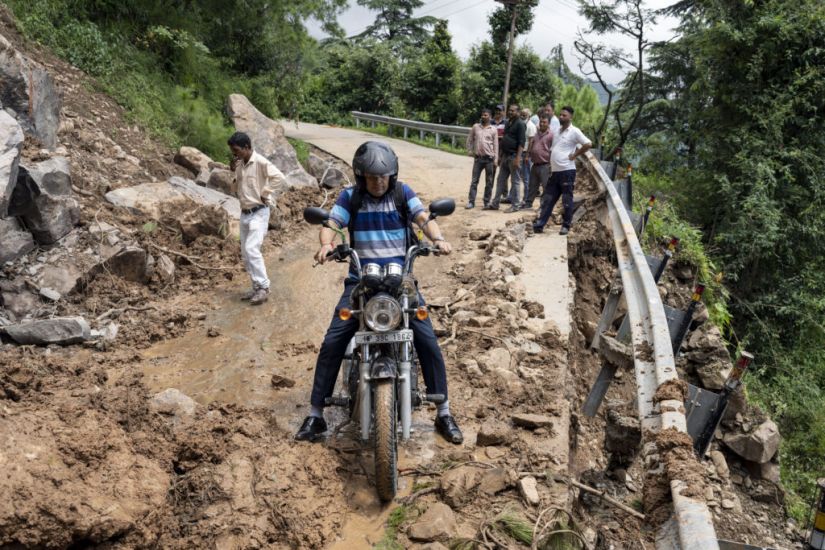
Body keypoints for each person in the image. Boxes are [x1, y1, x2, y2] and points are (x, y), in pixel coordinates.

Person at [295, 141, 464, 445]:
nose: (378, 182)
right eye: (372, 177)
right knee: (334, 340)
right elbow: (332, 224)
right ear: (361, 177)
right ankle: (316, 414)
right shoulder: (351, 197)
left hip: (402, 283)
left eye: (384, 176)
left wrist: (439, 240)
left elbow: (423, 219)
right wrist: (327, 244)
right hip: (360, 282)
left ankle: (444, 412)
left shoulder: (403, 194)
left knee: (427, 339)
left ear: (393, 175)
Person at [228, 131, 286, 305]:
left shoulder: (260, 162)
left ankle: (263, 287)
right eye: (233, 151)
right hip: (245, 213)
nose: (235, 154)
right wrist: (233, 170)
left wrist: (265, 192)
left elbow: (279, 177)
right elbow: (236, 186)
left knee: (252, 248)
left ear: (247, 147)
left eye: (237, 150)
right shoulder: (240, 164)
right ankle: (256, 287)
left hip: (259, 212)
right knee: (246, 254)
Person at [533, 106, 592, 236]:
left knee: (567, 200)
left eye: (564, 115)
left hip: (567, 171)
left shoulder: (574, 131)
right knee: (548, 199)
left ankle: (566, 226)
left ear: (570, 117)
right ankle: (540, 224)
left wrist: (575, 155)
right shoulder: (557, 131)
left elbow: (588, 144)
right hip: (555, 172)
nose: (561, 117)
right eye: (560, 115)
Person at [485, 104, 525, 211]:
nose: (511, 112)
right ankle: (495, 204)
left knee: (515, 181)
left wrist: (518, 158)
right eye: (510, 111)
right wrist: (500, 155)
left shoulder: (520, 124)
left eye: (513, 111)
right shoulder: (508, 123)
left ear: (518, 112)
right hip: (505, 156)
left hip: (514, 156)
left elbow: (522, 143)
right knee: (500, 180)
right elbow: (505, 138)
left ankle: (515, 205)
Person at [466, 108, 499, 209]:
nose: (483, 117)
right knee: (474, 181)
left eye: (486, 115)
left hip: (489, 159)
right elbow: (469, 140)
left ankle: (486, 202)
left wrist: (496, 159)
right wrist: (470, 150)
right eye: (482, 115)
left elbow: (496, 145)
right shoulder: (476, 127)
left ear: (490, 117)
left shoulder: (493, 129)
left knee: (489, 182)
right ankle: (471, 202)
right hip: (478, 159)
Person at [522, 113, 553, 210]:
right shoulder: (536, 134)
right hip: (534, 164)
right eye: (541, 122)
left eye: (544, 122)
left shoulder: (551, 135)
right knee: (532, 185)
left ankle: (543, 205)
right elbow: (531, 144)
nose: (542, 124)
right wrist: (527, 155)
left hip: (545, 165)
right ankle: (528, 203)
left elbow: (553, 150)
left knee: (545, 186)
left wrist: (552, 165)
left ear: (548, 124)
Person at [516, 108, 537, 212]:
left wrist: (528, 155)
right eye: (522, 114)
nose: (522, 115)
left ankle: (526, 200)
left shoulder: (531, 126)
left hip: (525, 154)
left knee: (526, 178)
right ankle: (516, 198)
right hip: (519, 153)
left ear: (529, 115)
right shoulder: (520, 124)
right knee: (518, 177)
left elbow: (531, 141)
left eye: (524, 114)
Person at [491, 104, 506, 198]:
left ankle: (505, 194)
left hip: (503, 150)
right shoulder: (491, 122)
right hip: (492, 151)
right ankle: (489, 193)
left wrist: (497, 137)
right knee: (491, 173)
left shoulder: (506, 122)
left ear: (503, 112)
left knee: (503, 173)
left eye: (500, 110)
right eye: (496, 110)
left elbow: (507, 135)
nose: (498, 112)